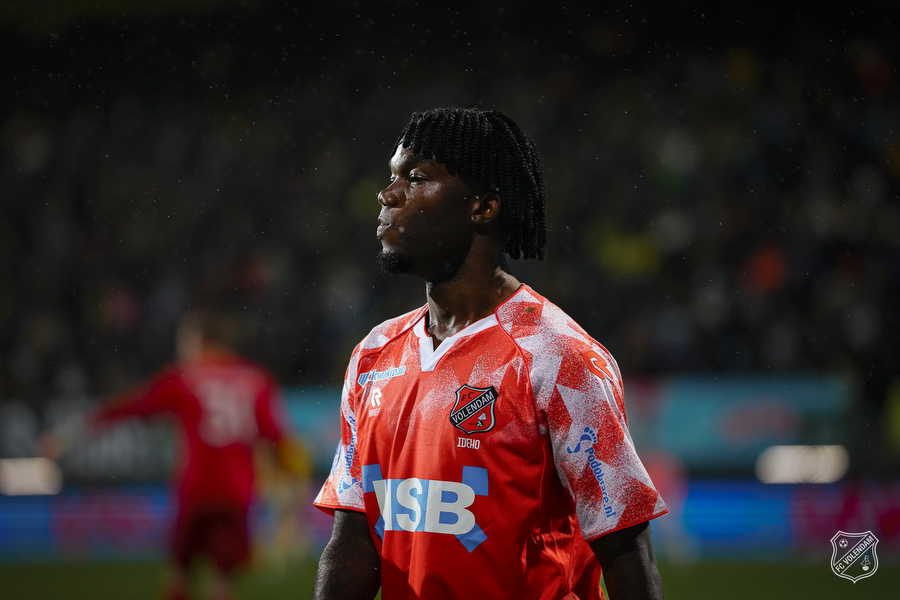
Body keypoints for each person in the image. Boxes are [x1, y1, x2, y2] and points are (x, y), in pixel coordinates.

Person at [312, 107, 667, 600]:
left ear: (483, 207)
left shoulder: (558, 356)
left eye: (415, 178)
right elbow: (353, 538)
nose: (387, 194)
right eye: (392, 177)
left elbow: (626, 551)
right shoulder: (374, 354)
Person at [42, 309, 308, 600]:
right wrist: (293, 503)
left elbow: (132, 406)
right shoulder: (257, 380)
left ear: (197, 339)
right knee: (222, 584)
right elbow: (280, 441)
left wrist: (69, 436)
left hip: (196, 490)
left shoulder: (185, 378)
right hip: (237, 493)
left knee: (180, 576)